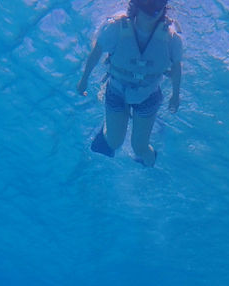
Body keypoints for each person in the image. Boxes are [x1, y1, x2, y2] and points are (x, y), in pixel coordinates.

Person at [77, 0, 182, 167]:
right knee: (113, 142)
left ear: (163, 7)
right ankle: (109, 128)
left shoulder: (171, 38)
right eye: (146, 3)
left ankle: (147, 160)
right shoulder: (115, 28)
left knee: (140, 148)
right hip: (116, 91)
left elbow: (177, 67)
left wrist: (175, 95)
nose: (150, 11)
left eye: (156, 4)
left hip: (148, 96)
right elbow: (96, 52)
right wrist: (84, 80)